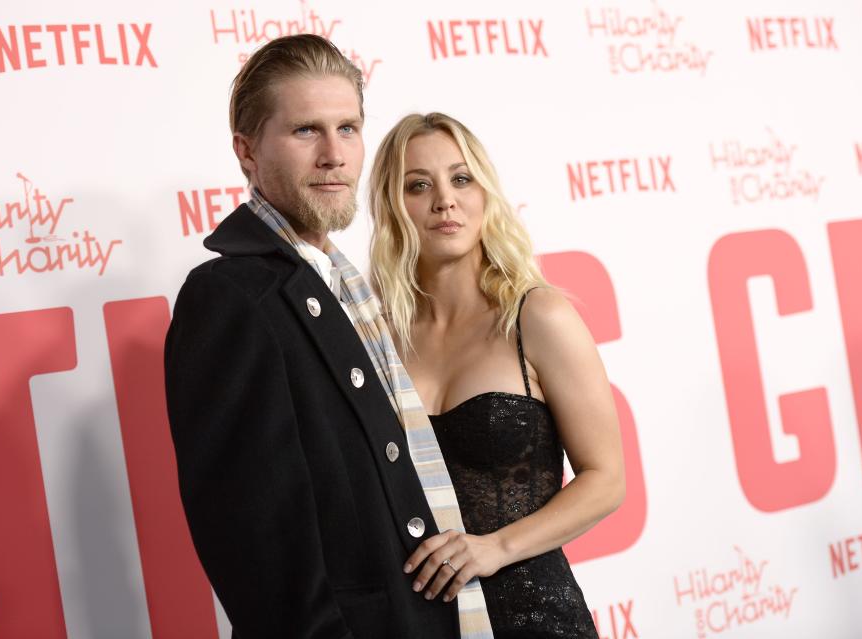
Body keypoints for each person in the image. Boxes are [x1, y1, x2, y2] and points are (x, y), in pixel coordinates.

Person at [164, 37, 495, 638]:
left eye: (347, 128)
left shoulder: (345, 284)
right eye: (305, 131)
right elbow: (255, 544)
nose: (334, 155)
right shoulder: (230, 297)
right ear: (247, 151)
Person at [368, 112, 626, 638]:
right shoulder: (378, 341)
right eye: (419, 185)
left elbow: (606, 480)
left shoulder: (536, 316)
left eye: (461, 179)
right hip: (420, 620)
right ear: (393, 207)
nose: (445, 199)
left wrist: (494, 548)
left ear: (485, 193)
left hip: (535, 617)